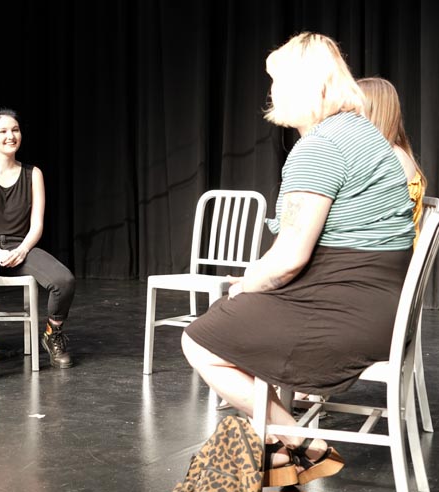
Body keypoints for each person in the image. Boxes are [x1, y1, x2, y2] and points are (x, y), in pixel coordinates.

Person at [181, 33, 414, 487]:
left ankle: (296, 443)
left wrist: (245, 283)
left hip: (344, 314)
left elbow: (289, 258)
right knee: (235, 315)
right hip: (376, 305)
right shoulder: (363, 132)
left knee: (200, 340)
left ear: (307, 85)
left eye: (277, 82)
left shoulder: (320, 147)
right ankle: (283, 447)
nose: (271, 93)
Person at [0, 108, 76, 385]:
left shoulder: (33, 174)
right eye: (4, 131)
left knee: (64, 280)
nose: (11, 136)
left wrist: (22, 249)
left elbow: (37, 225)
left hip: (22, 247)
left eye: (15, 130)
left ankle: (52, 335)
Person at [358, 77, 427, 244]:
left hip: (388, 259)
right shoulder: (387, 154)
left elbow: (374, 224)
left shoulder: (392, 159)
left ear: (372, 112)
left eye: (352, 110)